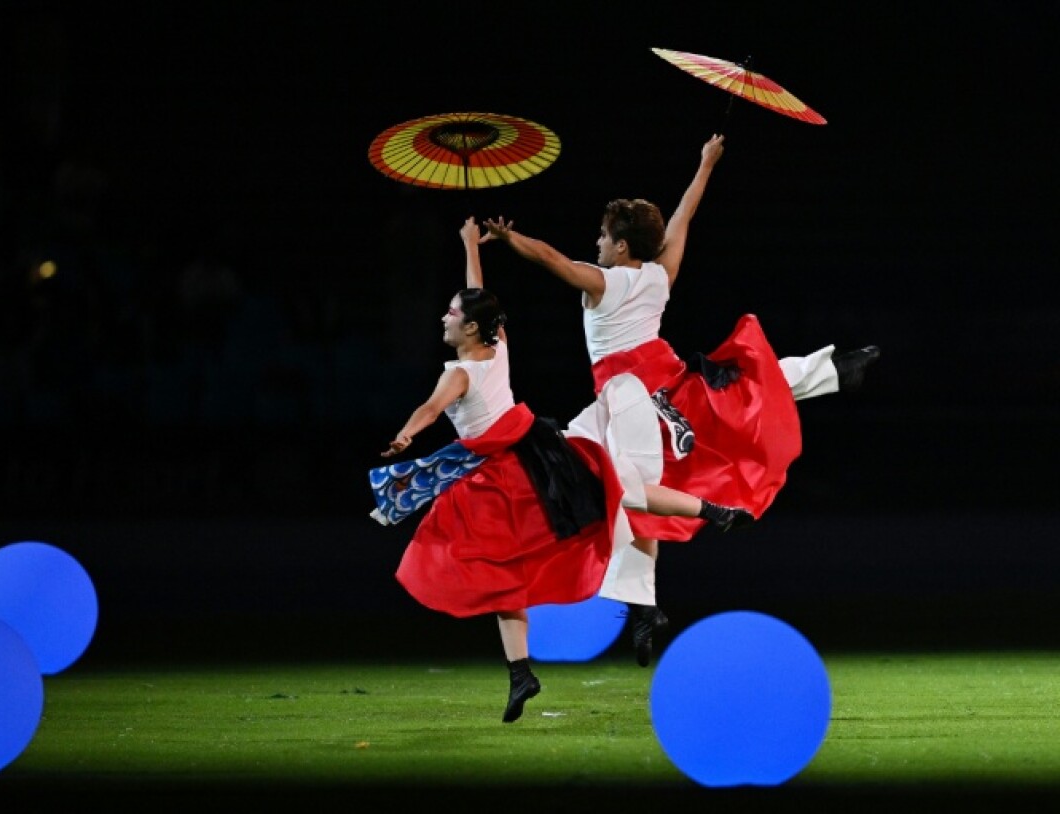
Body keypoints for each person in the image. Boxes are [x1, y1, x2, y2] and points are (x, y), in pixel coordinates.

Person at [483, 134, 881, 666]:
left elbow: (552, 258)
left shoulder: (602, 282)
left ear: (621, 245)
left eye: (602, 236)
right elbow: (683, 217)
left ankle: (654, 588)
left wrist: (511, 239)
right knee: (738, 396)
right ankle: (834, 369)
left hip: (627, 396)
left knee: (617, 483)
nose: (596, 243)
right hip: (668, 381)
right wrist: (706, 163)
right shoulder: (658, 275)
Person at [368, 217, 628, 723]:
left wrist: (407, 433)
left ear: (469, 328)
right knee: (507, 575)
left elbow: (428, 407)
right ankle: (519, 672)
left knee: (466, 558)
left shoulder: (461, 372)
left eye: (450, 313)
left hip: (499, 479)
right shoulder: (498, 341)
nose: (442, 318)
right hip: (534, 462)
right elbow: (479, 294)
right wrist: (469, 244)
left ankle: (527, 665)